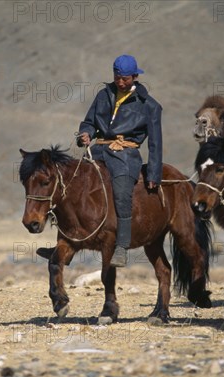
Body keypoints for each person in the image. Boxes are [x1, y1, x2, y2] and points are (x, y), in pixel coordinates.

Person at [36, 54, 163, 267]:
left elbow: (156, 144)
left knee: (122, 193)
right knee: (69, 185)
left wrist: (153, 174)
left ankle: (121, 247)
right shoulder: (104, 95)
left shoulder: (149, 106)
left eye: (125, 78)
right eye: (117, 76)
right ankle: (64, 243)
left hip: (125, 155)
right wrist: (85, 134)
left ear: (134, 76)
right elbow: (89, 122)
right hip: (99, 151)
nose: (120, 81)